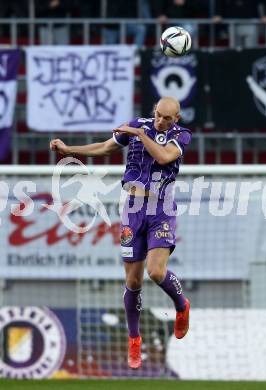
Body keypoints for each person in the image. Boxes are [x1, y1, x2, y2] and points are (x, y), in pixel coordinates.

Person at [49, 97, 191, 370]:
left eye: (168, 118)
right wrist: (69, 149)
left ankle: (181, 305)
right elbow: (104, 147)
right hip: (132, 209)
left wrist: (140, 134)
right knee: (133, 282)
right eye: (159, 115)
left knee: (157, 272)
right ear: (154, 111)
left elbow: (163, 157)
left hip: (161, 209)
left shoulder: (180, 136)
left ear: (177, 119)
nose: (161, 121)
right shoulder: (138, 125)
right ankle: (134, 338)